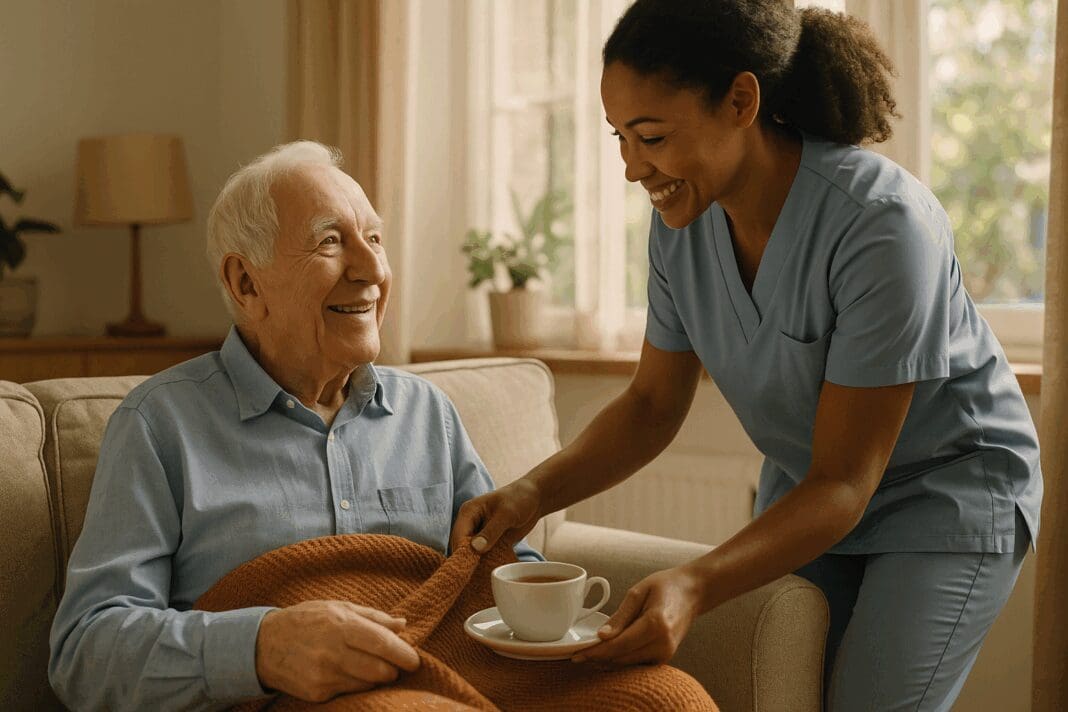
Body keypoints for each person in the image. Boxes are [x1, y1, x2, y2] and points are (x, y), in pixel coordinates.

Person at [450, 2, 1043, 710]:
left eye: (652, 136)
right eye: (620, 138)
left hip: (945, 492)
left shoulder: (882, 227)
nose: (633, 168)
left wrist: (696, 582)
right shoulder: (682, 224)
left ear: (741, 101)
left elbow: (847, 482)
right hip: (809, 492)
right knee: (781, 694)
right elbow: (650, 405)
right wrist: (532, 492)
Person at [48, 141, 543, 711]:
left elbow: (506, 572)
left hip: (447, 673)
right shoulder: (159, 425)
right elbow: (84, 653)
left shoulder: (428, 413)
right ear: (246, 284)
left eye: (375, 239)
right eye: (330, 241)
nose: (373, 269)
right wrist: (260, 647)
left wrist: (577, 619)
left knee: (658, 695)